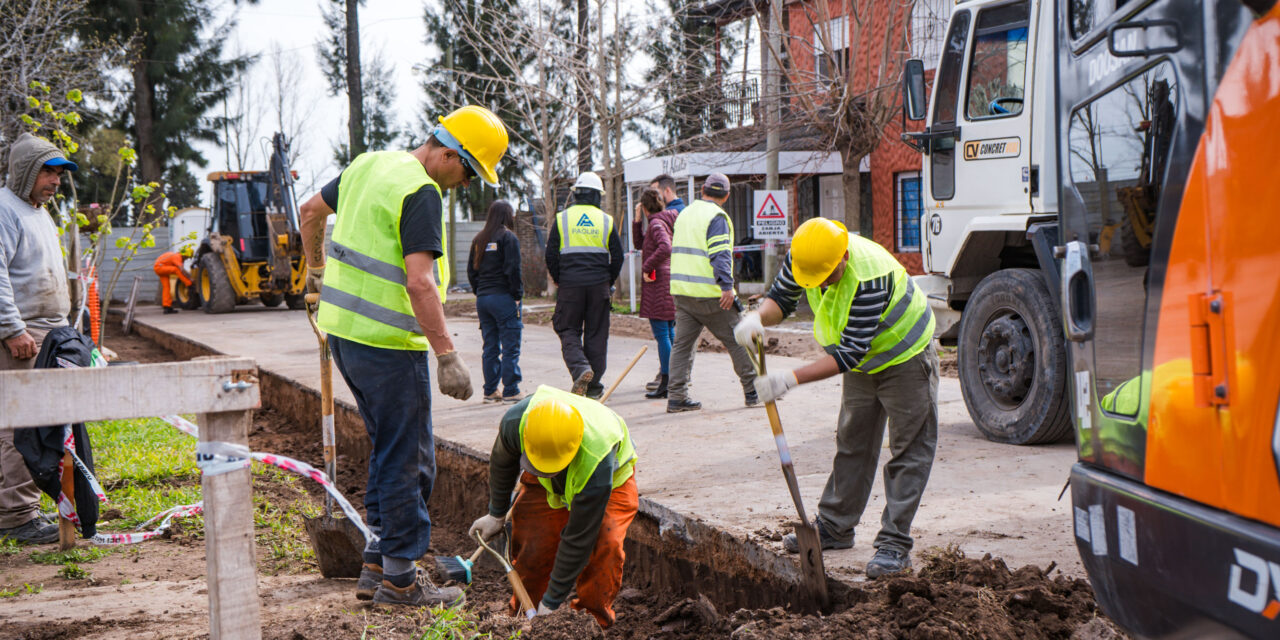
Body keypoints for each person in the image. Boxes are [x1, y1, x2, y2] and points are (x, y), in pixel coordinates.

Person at [298, 105, 508, 607]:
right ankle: (401, 581)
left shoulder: (368, 164)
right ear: (446, 153)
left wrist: (315, 269)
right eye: (469, 170)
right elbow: (420, 281)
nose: (465, 183)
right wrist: (447, 354)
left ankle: (376, 564)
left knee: (389, 451)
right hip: (389, 345)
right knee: (411, 461)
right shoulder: (422, 191)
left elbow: (309, 212)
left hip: (344, 337)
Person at [733, 217, 938, 579]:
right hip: (863, 361)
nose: (822, 284)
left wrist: (788, 379)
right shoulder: (808, 257)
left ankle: (894, 542)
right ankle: (835, 526)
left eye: (828, 276)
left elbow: (848, 355)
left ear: (843, 255)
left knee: (909, 450)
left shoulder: (868, 276)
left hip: (905, 356)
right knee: (853, 440)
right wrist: (757, 318)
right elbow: (782, 298)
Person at [469, 385, 637, 628]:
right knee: (533, 543)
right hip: (547, 477)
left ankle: (587, 626)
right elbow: (502, 462)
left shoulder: (596, 460)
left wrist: (553, 602)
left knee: (605, 547)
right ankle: (521, 621)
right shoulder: (516, 422)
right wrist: (495, 514)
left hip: (612, 483)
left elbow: (579, 538)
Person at [0, 132, 78, 545]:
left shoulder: (39, 212)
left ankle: (34, 506)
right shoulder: (4, 210)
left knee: (45, 426)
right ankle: (17, 517)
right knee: (20, 429)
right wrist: (12, 329)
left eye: (60, 173)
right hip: (22, 337)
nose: (56, 180)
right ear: (26, 171)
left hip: (49, 333)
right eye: (49, 171)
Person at [665, 173, 757, 412]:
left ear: (702, 190)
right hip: (711, 295)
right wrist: (726, 286)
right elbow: (720, 253)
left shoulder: (684, 214)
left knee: (682, 346)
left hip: (683, 293)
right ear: (726, 196)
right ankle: (754, 391)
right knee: (738, 340)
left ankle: (676, 397)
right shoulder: (716, 216)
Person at [544, 172, 623, 398]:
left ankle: (580, 368)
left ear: (576, 194)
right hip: (599, 287)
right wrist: (609, 281)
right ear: (598, 196)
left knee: (566, 327)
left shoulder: (562, 219)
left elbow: (551, 255)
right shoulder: (606, 220)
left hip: (570, 286)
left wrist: (559, 278)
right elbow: (617, 257)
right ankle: (594, 386)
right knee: (596, 335)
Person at [467, 199, 523, 404]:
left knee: (490, 346)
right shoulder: (508, 238)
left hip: (483, 299)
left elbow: (471, 272)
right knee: (510, 346)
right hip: (504, 298)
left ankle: (490, 391)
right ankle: (511, 390)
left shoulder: (478, 240)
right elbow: (513, 270)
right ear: (507, 216)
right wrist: (517, 296)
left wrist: (480, 292)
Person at [631, 188, 677, 399]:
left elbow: (665, 248)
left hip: (659, 283)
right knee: (669, 332)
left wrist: (647, 267)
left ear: (646, 206)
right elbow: (640, 244)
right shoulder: (664, 221)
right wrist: (637, 221)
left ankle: (667, 381)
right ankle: (676, 379)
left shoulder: (657, 223)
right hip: (669, 280)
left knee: (662, 334)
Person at [153, 245, 193, 314]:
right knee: (176, 270)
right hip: (159, 267)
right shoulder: (177, 257)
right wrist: (190, 279)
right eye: (187, 257)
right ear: (185, 255)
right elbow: (182, 270)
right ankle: (189, 284)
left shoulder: (176, 256)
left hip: (159, 267)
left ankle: (167, 307)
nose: (186, 259)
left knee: (166, 288)